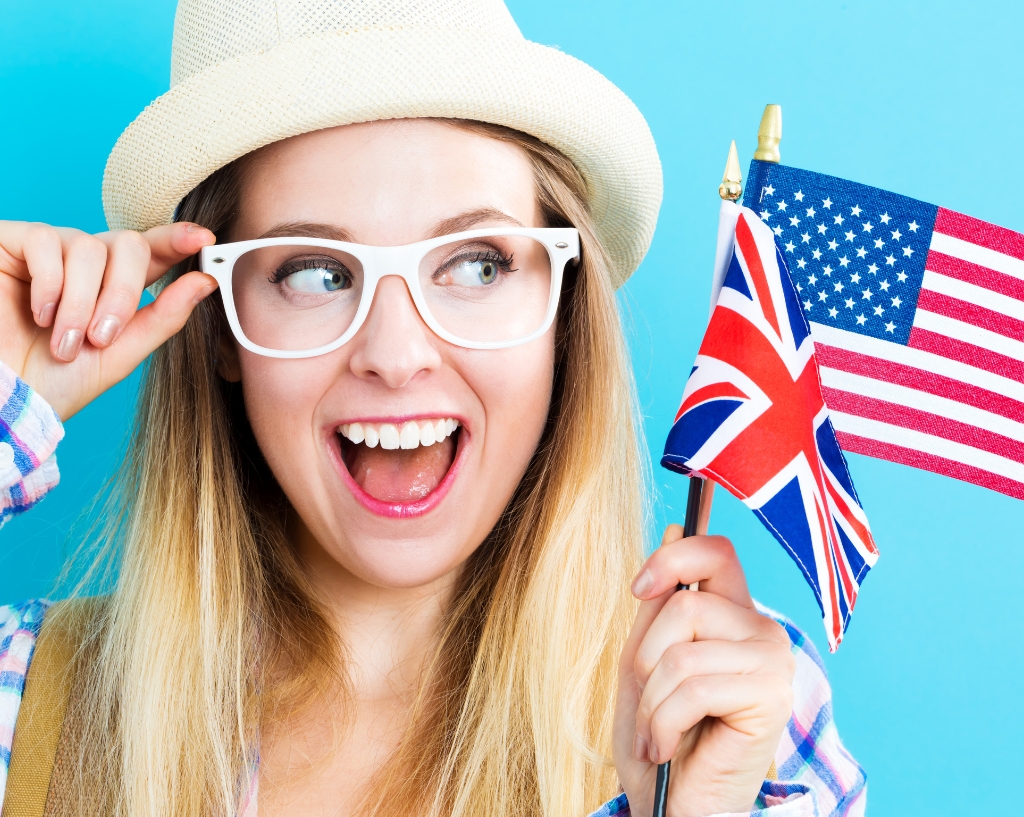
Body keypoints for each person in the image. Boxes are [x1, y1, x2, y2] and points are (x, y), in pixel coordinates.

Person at [0, 1, 866, 814]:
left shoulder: (734, 722)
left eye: (477, 264)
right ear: (219, 327)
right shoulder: (25, 695)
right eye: (313, 271)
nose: (396, 353)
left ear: (563, 313)